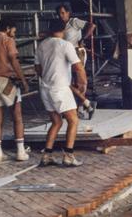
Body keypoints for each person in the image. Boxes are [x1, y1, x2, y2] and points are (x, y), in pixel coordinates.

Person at [35, 19, 87, 167]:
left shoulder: (42, 45)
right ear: (63, 30)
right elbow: (78, 67)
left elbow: (38, 69)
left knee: (56, 122)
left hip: (45, 88)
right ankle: (69, 156)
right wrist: (83, 85)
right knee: (73, 120)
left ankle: (47, 155)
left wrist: (50, 75)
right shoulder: (65, 45)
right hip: (60, 89)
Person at [0, 18, 30, 163]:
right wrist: (23, 80)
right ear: (8, 28)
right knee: (17, 117)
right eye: (14, 30)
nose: (14, 33)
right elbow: (14, 61)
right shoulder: (8, 40)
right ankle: (20, 152)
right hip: (7, 83)